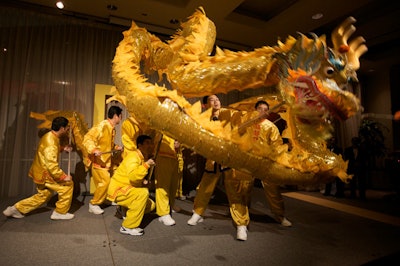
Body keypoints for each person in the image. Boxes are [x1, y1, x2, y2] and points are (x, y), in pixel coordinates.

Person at [3, 117, 75, 220]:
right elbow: (51, 164)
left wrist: (63, 148)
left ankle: (16, 209)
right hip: (46, 174)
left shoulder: (49, 136)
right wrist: (63, 177)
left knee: (44, 195)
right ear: (62, 128)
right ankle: (60, 212)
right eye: (67, 127)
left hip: (39, 171)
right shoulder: (51, 142)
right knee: (67, 186)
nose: (68, 129)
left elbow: (47, 152)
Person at [187, 94, 234, 226]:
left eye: (217, 99)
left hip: (228, 157)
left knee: (234, 189)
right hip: (212, 159)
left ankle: (240, 222)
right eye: (212, 100)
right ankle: (197, 213)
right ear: (206, 105)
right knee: (205, 187)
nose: (216, 102)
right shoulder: (203, 119)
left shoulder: (228, 113)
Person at [107, 135, 156, 236]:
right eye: (147, 143)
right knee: (143, 193)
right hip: (119, 189)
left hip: (128, 188)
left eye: (151, 143)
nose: (150, 145)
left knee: (151, 205)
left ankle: (123, 209)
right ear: (140, 145)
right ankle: (127, 226)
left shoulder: (142, 157)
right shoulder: (134, 156)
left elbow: (135, 176)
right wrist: (146, 165)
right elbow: (133, 176)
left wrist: (143, 181)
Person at [83, 105, 123, 215]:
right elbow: (87, 138)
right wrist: (93, 149)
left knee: (109, 180)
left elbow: (106, 144)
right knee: (104, 182)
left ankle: (104, 199)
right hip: (99, 161)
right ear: (116, 116)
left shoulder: (111, 128)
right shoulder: (102, 126)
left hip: (106, 161)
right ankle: (93, 204)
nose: (121, 119)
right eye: (120, 116)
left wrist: (115, 147)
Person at [154, 133, 182, 226]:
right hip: (163, 153)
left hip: (175, 154)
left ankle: (170, 205)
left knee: (173, 184)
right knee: (163, 185)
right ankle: (163, 213)